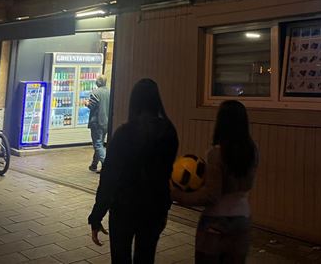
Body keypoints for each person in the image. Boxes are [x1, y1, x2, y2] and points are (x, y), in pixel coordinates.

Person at [88, 79, 178, 264]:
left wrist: (97, 215)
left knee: (120, 257)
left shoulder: (124, 134)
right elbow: (167, 173)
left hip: (124, 208)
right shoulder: (168, 132)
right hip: (155, 208)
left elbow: (109, 179)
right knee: (146, 257)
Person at [171, 100, 258, 264]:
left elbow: (211, 195)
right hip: (242, 219)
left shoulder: (216, 154)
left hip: (216, 222)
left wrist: (177, 195)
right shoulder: (253, 151)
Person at [85, 75, 110, 172]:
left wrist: (86, 103)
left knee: (98, 145)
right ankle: (94, 165)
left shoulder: (95, 93)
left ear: (98, 82)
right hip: (106, 121)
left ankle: (106, 165)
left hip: (97, 122)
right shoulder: (109, 92)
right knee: (100, 143)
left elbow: (92, 106)